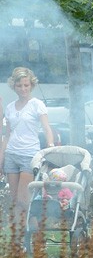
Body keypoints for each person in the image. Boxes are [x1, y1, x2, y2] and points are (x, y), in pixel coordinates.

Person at [0, 67, 55, 226]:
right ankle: (25, 235)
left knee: (23, 199)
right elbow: (7, 135)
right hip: (11, 155)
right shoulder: (10, 107)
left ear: (31, 85)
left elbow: (46, 128)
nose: (23, 89)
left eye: (26, 85)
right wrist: (1, 158)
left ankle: (33, 233)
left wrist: (50, 147)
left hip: (29, 155)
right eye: (19, 86)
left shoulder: (37, 105)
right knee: (15, 201)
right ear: (14, 86)